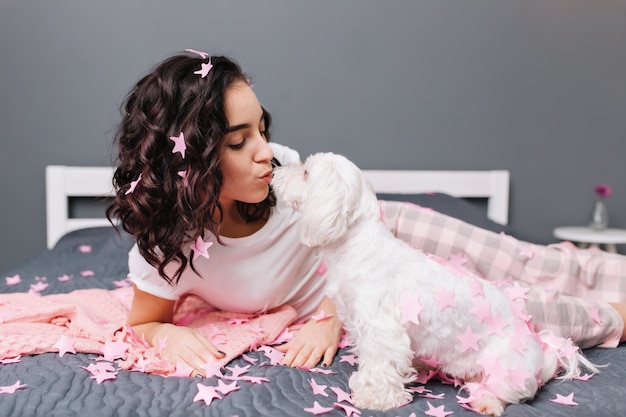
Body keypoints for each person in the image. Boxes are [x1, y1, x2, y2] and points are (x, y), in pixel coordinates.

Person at [107, 50, 626, 377]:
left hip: (387, 236)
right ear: (191, 162)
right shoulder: (169, 251)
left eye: (261, 129)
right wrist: (167, 332)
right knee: (517, 310)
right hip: (376, 297)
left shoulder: (283, 170)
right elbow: (146, 322)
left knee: (535, 263)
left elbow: (340, 235)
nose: (267, 150)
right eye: (241, 142)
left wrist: (329, 320)